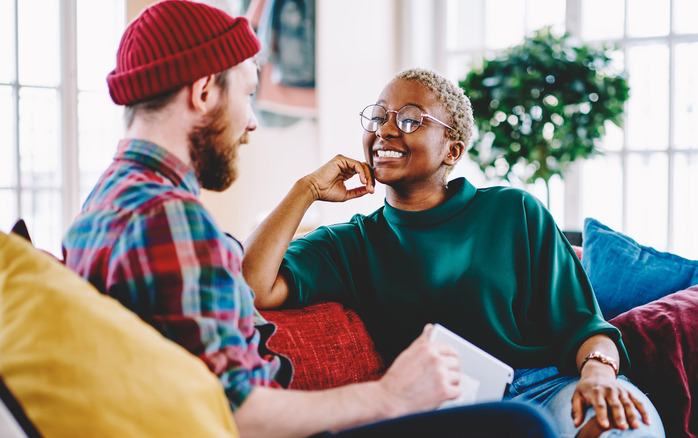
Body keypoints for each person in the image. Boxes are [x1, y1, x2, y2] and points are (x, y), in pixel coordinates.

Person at [62, 1, 557, 437]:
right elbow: (237, 414)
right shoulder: (173, 221)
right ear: (205, 91)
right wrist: (391, 396)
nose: (252, 120)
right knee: (525, 425)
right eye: (249, 94)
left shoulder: (102, 205)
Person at [243, 67, 666, 437]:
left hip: (551, 387)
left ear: (453, 149)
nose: (386, 130)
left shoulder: (514, 212)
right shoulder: (351, 244)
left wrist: (598, 373)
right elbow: (252, 286)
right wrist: (307, 190)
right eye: (378, 116)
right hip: (456, 410)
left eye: (410, 120)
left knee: (629, 425)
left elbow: (587, 325)